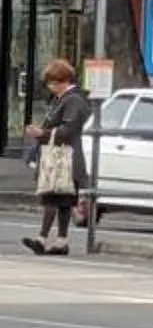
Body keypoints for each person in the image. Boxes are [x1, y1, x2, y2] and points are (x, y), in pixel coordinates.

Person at [21, 60, 89, 257]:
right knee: (63, 201)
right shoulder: (63, 99)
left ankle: (42, 239)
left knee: (52, 197)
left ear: (64, 81)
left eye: (53, 82)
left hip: (64, 160)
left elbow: (68, 130)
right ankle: (61, 241)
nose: (50, 87)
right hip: (64, 159)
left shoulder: (72, 100)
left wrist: (41, 133)